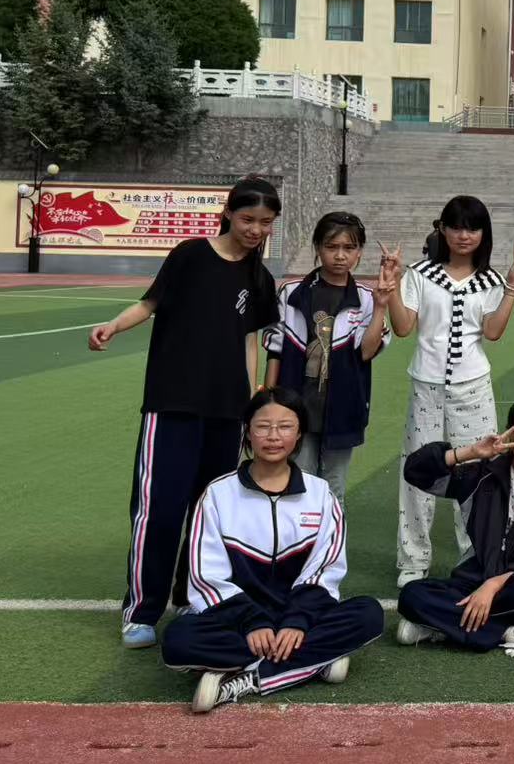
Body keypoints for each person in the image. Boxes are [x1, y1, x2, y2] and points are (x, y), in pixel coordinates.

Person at [92, 175, 282, 650]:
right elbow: (150, 303)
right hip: (172, 402)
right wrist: (114, 326)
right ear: (228, 213)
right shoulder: (190, 255)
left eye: (265, 222)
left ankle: (190, 596)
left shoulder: (259, 279)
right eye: (248, 219)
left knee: (206, 512)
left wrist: (249, 405)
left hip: (226, 411)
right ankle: (141, 612)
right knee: (158, 509)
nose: (255, 230)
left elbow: (249, 342)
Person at [162, 388, 383, 713]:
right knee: (178, 639)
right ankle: (316, 660)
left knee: (368, 614)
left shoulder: (320, 495)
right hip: (238, 621)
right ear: (248, 432)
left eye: (285, 426)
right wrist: (252, 622)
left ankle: (249, 677)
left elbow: (325, 571)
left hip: (301, 618)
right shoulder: (218, 494)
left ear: (299, 434)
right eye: (263, 426)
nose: (274, 436)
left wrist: (296, 621)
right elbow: (205, 576)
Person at [385, 196, 514, 587]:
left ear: (484, 234)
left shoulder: (491, 281)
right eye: (456, 226)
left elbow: (493, 332)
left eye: (472, 228)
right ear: (443, 230)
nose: (464, 235)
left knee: (478, 471)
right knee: (417, 469)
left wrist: (513, 286)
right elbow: (403, 327)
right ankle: (413, 558)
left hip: (473, 387)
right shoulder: (421, 274)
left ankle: (474, 554)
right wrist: (392, 287)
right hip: (426, 386)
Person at [395, 396, 514, 657]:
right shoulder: (483, 474)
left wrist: (493, 585)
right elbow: (415, 471)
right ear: (510, 430)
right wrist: (470, 452)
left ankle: (438, 626)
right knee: (411, 595)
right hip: (474, 575)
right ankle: (510, 632)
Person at [264, 211, 390, 501]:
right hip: (296, 404)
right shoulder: (292, 292)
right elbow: (275, 349)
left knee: (334, 489)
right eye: (332, 247)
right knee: (298, 483)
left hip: (343, 407)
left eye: (349, 248)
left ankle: (332, 533)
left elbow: (367, 352)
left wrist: (381, 306)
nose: (340, 256)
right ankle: (298, 532)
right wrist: (269, 399)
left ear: (359, 252)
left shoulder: (366, 298)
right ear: (317, 247)